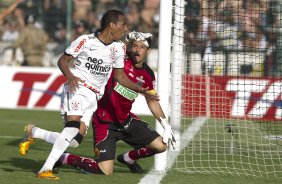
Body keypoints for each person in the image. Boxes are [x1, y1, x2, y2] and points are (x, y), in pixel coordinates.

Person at [18, 10, 157, 180]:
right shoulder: (85, 41)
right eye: (123, 24)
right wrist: (70, 76)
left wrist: (139, 88)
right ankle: (45, 169)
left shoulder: (119, 47)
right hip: (77, 88)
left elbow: (120, 77)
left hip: (93, 97)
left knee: (74, 141)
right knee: (71, 129)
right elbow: (62, 60)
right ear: (112, 25)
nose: (125, 29)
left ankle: (35, 132)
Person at [54, 31, 176, 176]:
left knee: (161, 146)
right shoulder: (119, 60)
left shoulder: (148, 75)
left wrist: (165, 124)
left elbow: (151, 100)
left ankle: (128, 159)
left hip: (126, 120)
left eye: (142, 47)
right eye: (135, 46)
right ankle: (65, 157)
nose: (137, 50)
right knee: (105, 171)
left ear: (148, 51)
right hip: (105, 122)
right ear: (129, 47)